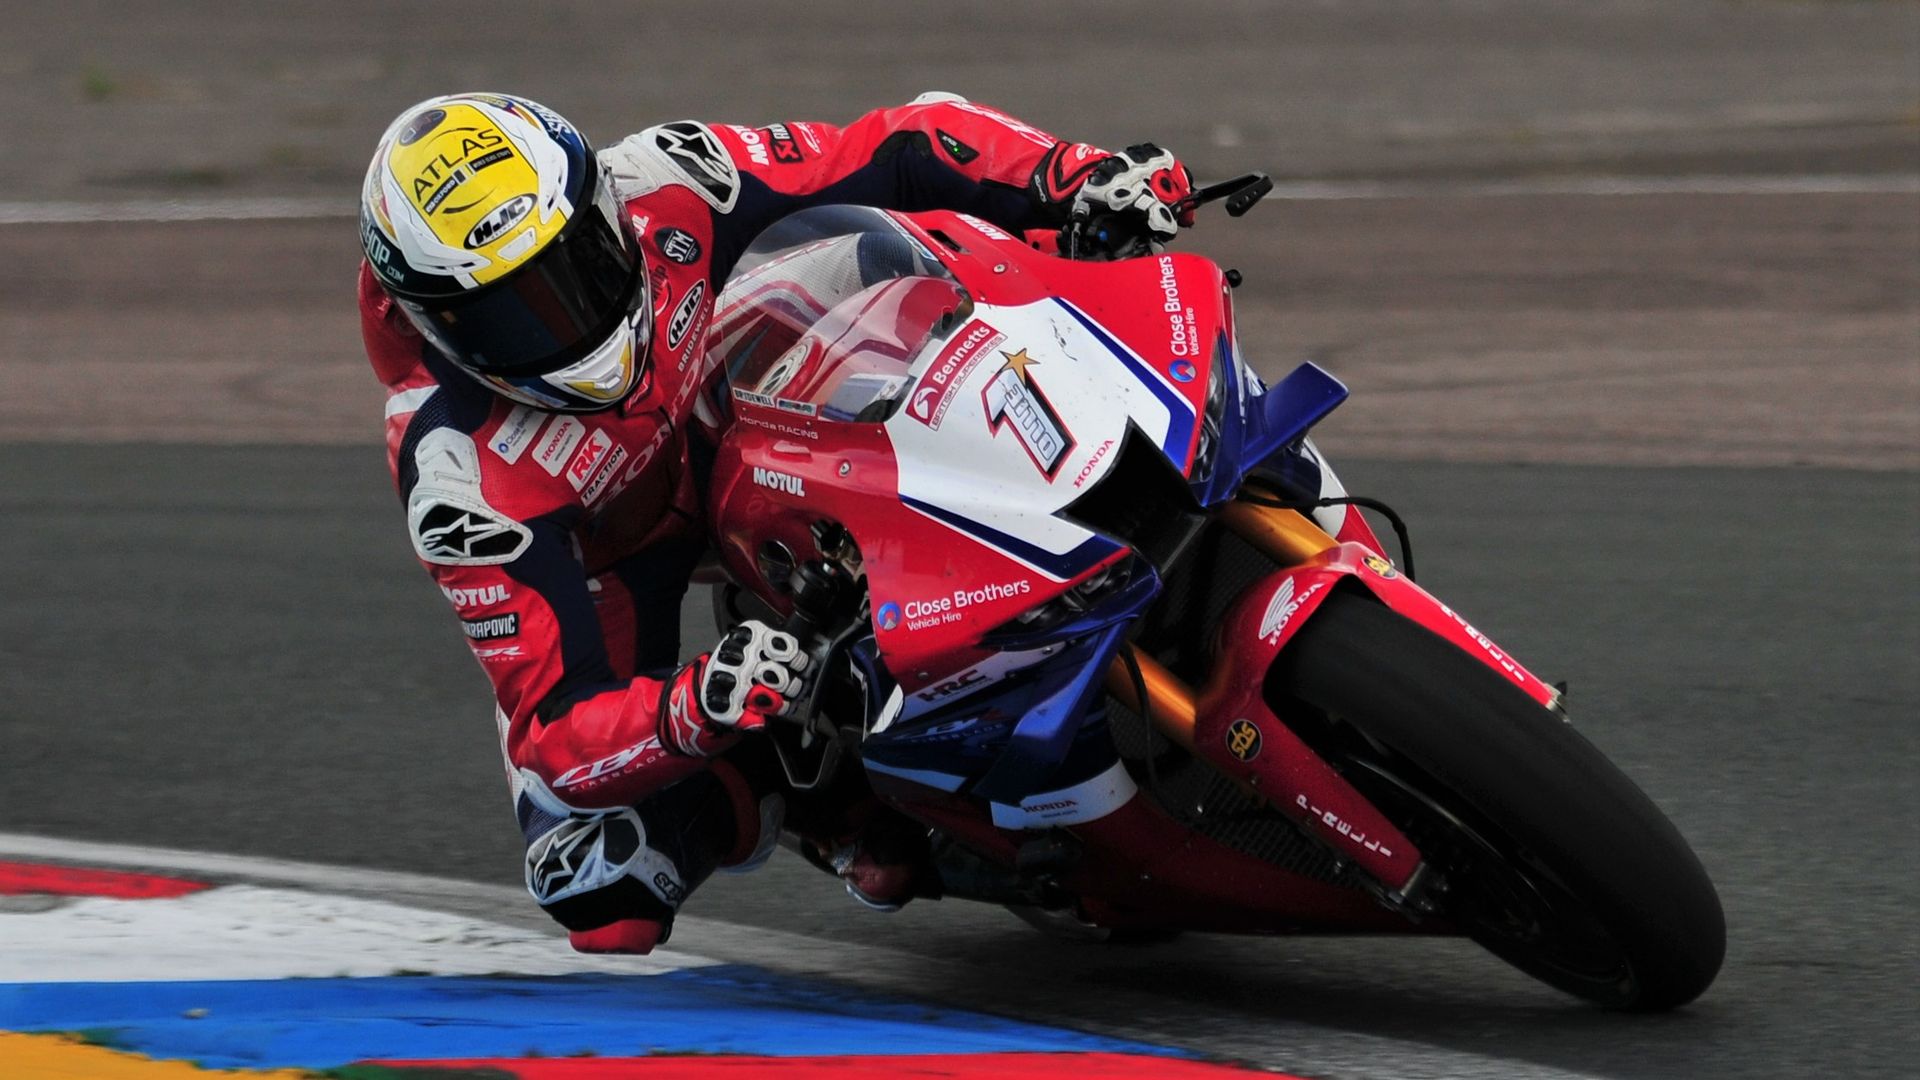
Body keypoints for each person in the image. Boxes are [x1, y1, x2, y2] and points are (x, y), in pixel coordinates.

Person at [357, 91, 1195, 954]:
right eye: (509, 315)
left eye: (574, 271)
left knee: (884, 244)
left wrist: (1070, 173)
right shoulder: (456, 479)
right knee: (601, 881)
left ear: (602, 207)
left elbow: (896, 143)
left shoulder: (665, 181)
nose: (563, 325)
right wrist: (696, 707)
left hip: (731, 393)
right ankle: (829, 785)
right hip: (622, 550)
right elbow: (556, 733)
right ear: (433, 325)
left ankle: (1102, 423)